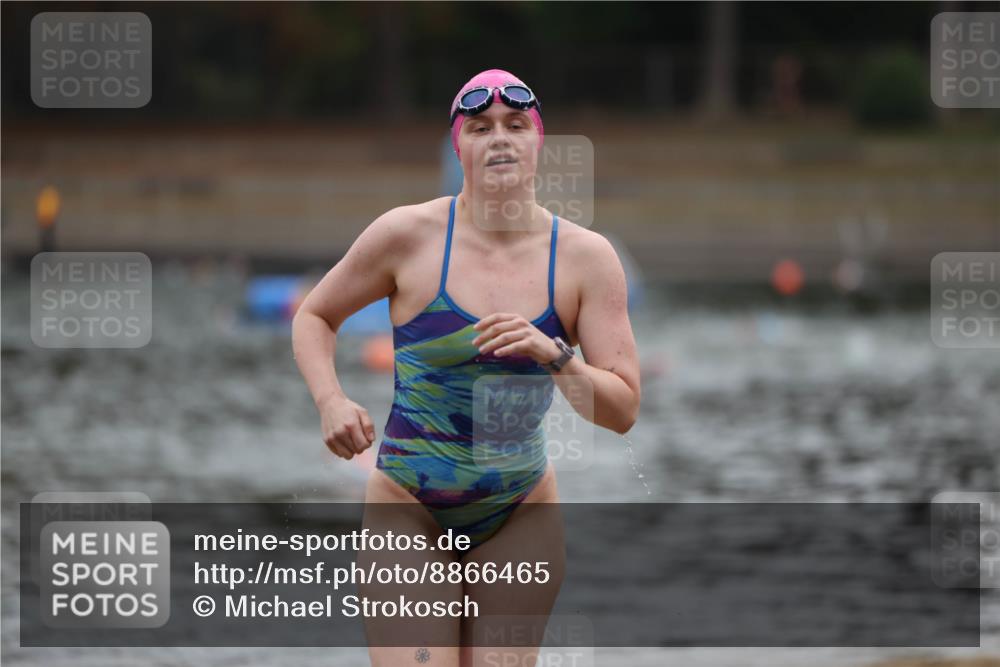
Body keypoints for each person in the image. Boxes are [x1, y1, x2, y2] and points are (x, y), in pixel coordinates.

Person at [292, 69, 640, 667]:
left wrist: (555, 355)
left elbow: (623, 410)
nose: (499, 138)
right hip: (408, 503)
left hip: (519, 512)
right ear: (461, 148)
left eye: (515, 125)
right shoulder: (407, 235)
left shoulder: (586, 258)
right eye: (480, 128)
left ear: (538, 144)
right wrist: (330, 399)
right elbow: (315, 316)